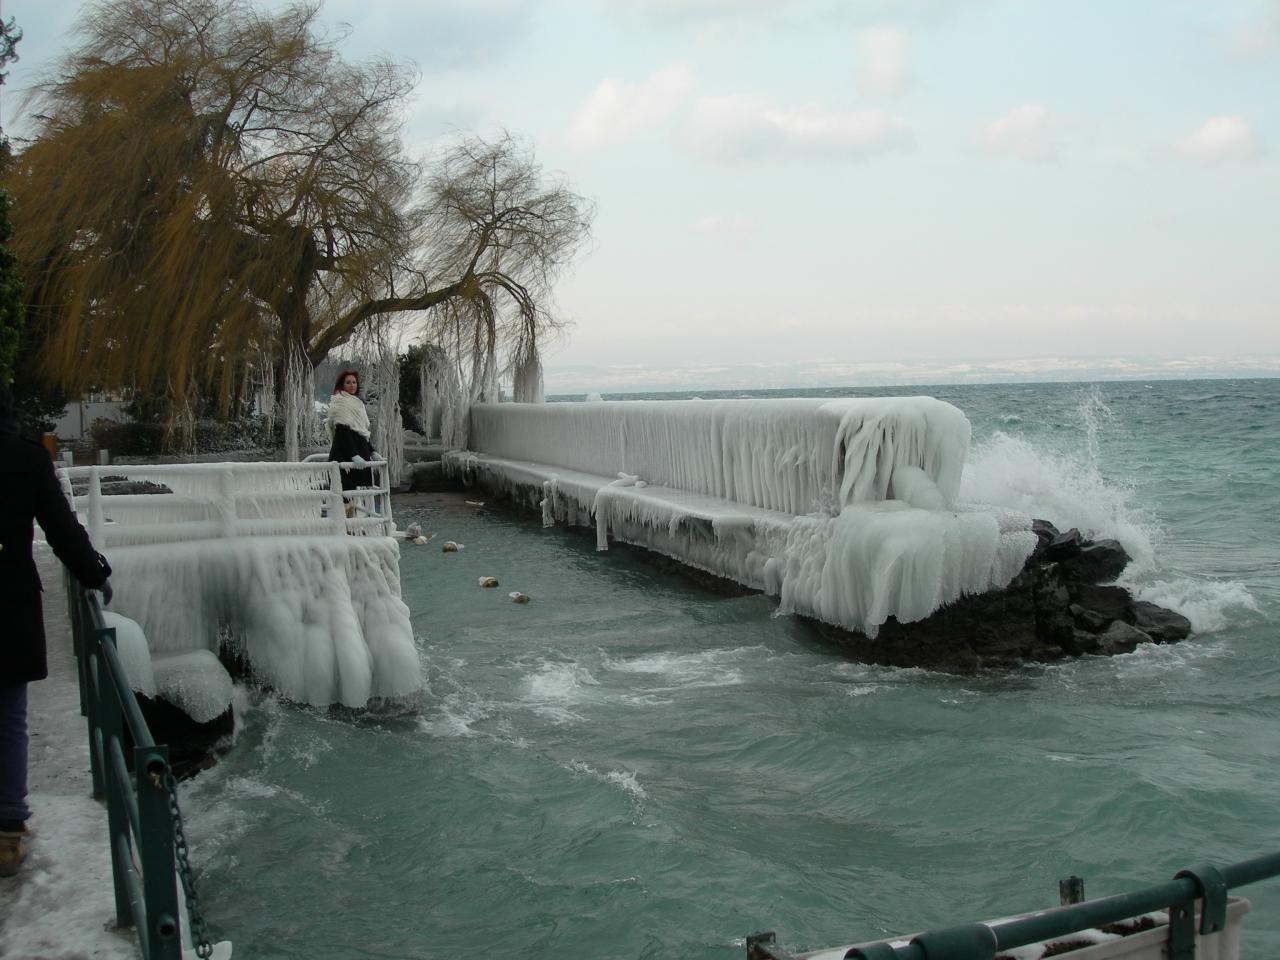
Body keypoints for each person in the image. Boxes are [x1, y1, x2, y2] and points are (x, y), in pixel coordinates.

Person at [0, 383, 113, 877]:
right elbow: (61, 528)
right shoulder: (26, 459)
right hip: (8, 602)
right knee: (8, 717)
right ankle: (7, 830)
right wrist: (95, 573)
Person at [324, 369, 377, 493]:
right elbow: (343, 431)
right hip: (345, 454)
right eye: (348, 382)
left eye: (354, 382)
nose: (352, 385)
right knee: (343, 492)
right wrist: (354, 455)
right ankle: (344, 511)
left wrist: (372, 451)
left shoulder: (358, 403)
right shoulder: (340, 402)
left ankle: (350, 511)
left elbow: (361, 431)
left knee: (353, 494)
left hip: (359, 452)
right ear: (342, 385)